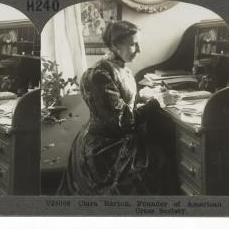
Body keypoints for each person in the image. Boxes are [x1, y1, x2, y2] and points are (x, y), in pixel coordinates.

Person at [57, 20, 177, 195]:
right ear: (115, 44)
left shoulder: (123, 69)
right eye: (133, 44)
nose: (139, 50)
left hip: (122, 137)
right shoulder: (99, 75)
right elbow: (121, 121)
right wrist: (157, 102)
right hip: (105, 147)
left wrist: (146, 97)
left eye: (139, 44)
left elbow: (124, 102)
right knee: (152, 168)